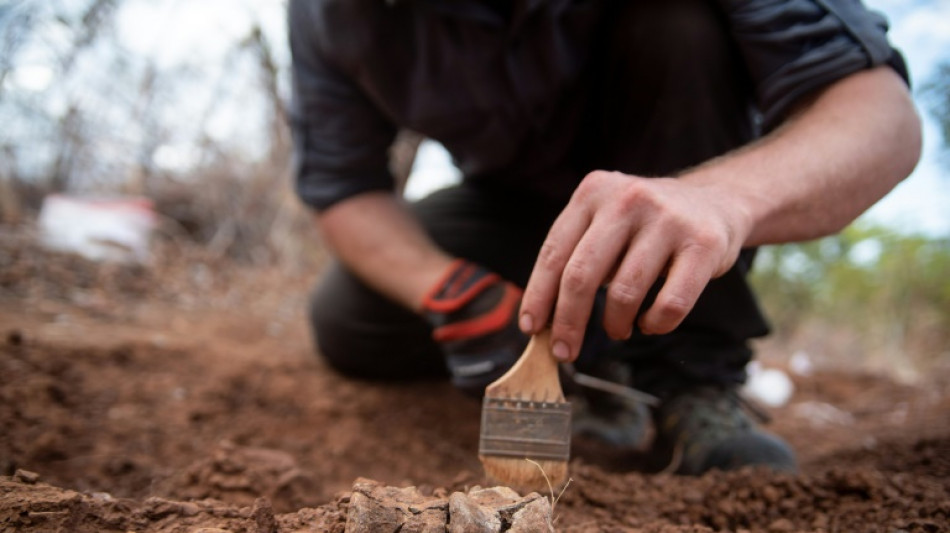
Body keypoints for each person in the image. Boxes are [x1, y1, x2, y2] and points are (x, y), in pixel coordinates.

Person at [287, 0, 921, 475]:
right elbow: (344, 187)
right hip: (514, 205)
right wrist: (453, 293)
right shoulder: (330, 13)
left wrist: (724, 199)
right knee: (351, 319)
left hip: (687, 171)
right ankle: (589, 373)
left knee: (676, 20)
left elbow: (882, 118)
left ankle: (689, 377)